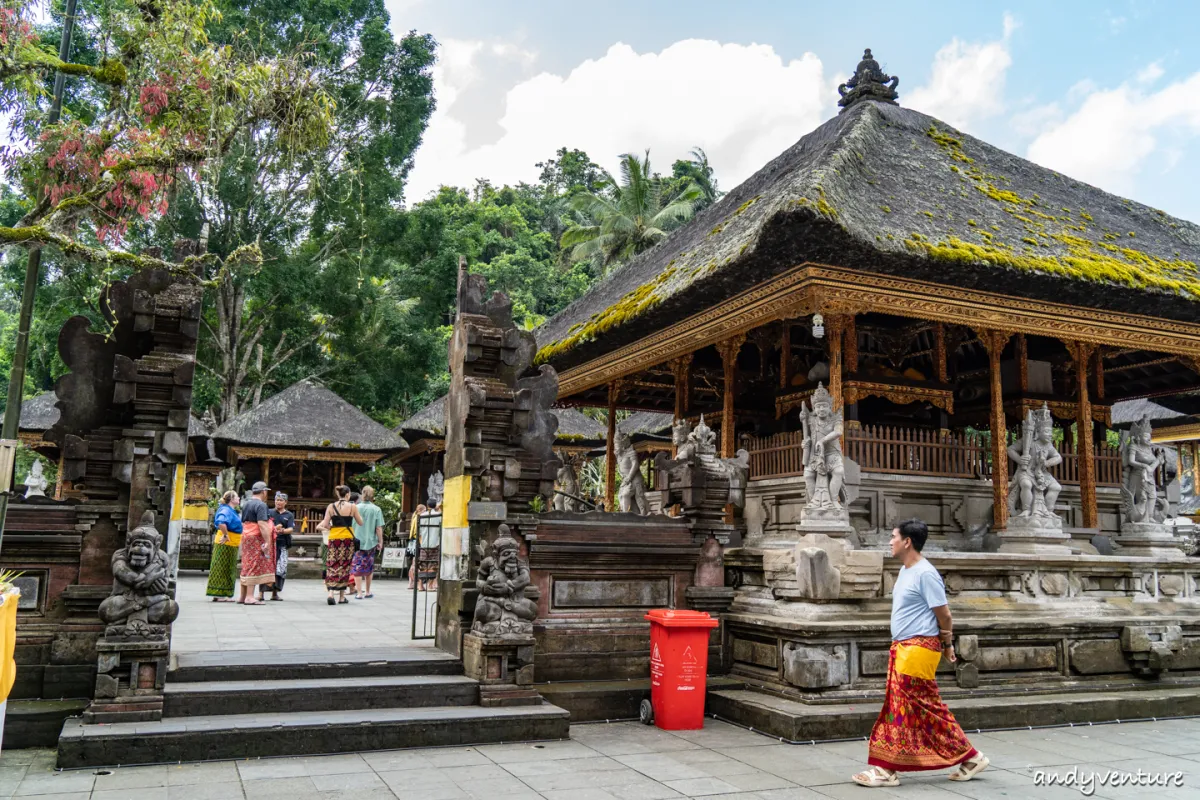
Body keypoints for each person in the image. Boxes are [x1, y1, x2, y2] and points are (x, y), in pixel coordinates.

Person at [853, 519, 988, 788]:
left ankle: (886, 770)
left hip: (919, 648)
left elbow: (945, 615)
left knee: (905, 708)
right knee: (918, 708)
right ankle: (971, 757)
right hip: (905, 647)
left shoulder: (926, 573)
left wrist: (948, 645)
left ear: (907, 542)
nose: (889, 541)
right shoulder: (906, 571)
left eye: (893, 537)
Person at [317, 485, 363, 605]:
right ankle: (342, 597)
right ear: (348, 494)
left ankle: (331, 593)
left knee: (332, 564)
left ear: (338, 494)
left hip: (334, 538)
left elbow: (325, 524)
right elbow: (360, 522)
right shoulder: (352, 507)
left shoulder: (331, 506)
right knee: (345, 566)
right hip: (347, 539)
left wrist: (333, 527)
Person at [238, 481, 276, 606]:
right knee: (254, 563)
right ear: (264, 491)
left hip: (246, 535)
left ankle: (242, 595)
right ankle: (249, 596)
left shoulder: (246, 504)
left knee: (246, 563)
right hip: (256, 536)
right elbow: (262, 524)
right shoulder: (261, 505)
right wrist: (267, 541)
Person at [205, 491, 242, 602]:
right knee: (222, 567)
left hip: (231, 542)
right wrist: (225, 535)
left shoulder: (230, 510)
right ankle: (218, 594)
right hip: (226, 541)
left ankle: (223, 594)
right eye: (236, 497)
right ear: (231, 499)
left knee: (227, 567)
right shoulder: (226, 510)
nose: (239, 498)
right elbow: (221, 522)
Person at [351, 486, 386, 599]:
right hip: (371, 541)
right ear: (372, 495)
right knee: (369, 566)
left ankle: (359, 593)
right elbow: (378, 528)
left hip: (356, 541)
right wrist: (380, 541)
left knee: (357, 566)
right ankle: (367, 591)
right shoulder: (376, 509)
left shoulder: (355, 508)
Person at [262, 492, 295, 602]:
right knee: (266, 567)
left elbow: (291, 528)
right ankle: (261, 593)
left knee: (279, 569)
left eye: (281, 500)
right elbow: (265, 525)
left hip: (282, 544)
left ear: (286, 502)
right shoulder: (269, 512)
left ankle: (274, 593)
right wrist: (274, 529)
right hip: (270, 543)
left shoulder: (289, 515)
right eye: (277, 500)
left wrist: (283, 531)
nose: (278, 502)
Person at [407, 504, 427, 589]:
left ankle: (411, 583)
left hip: (412, 541)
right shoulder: (419, 518)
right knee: (417, 564)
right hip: (417, 541)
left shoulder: (414, 517)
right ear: (421, 510)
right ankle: (419, 583)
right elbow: (419, 532)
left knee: (413, 563)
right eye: (425, 511)